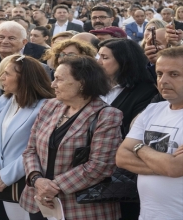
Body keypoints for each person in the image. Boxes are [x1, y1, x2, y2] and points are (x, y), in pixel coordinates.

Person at [21, 57, 122, 220]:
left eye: (59, 79)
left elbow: (100, 166)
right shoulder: (50, 106)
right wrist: (36, 180)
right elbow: (30, 150)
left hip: (83, 209)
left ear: (81, 83)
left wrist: (53, 186)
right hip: (40, 203)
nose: (53, 84)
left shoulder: (107, 115)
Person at [116, 46, 183, 220]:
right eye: (160, 74)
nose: (163, 81)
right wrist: (164, 165)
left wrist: (137, 148)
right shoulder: (152, 109)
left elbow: (175, 167)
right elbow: (121, 157)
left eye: (174, 74)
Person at [0, 55, 54, 220]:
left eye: (7, 74)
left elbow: (36, 148)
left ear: (24, 78)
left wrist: (6, 177)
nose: (1, 78)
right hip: (2, 182)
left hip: (28, 182)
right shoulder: (3, 101)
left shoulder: (45, 106)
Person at [0, 21, 50, 100]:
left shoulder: (40, 69)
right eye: (1, 37)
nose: (5, 41)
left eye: (11, 38)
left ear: (24, 42)